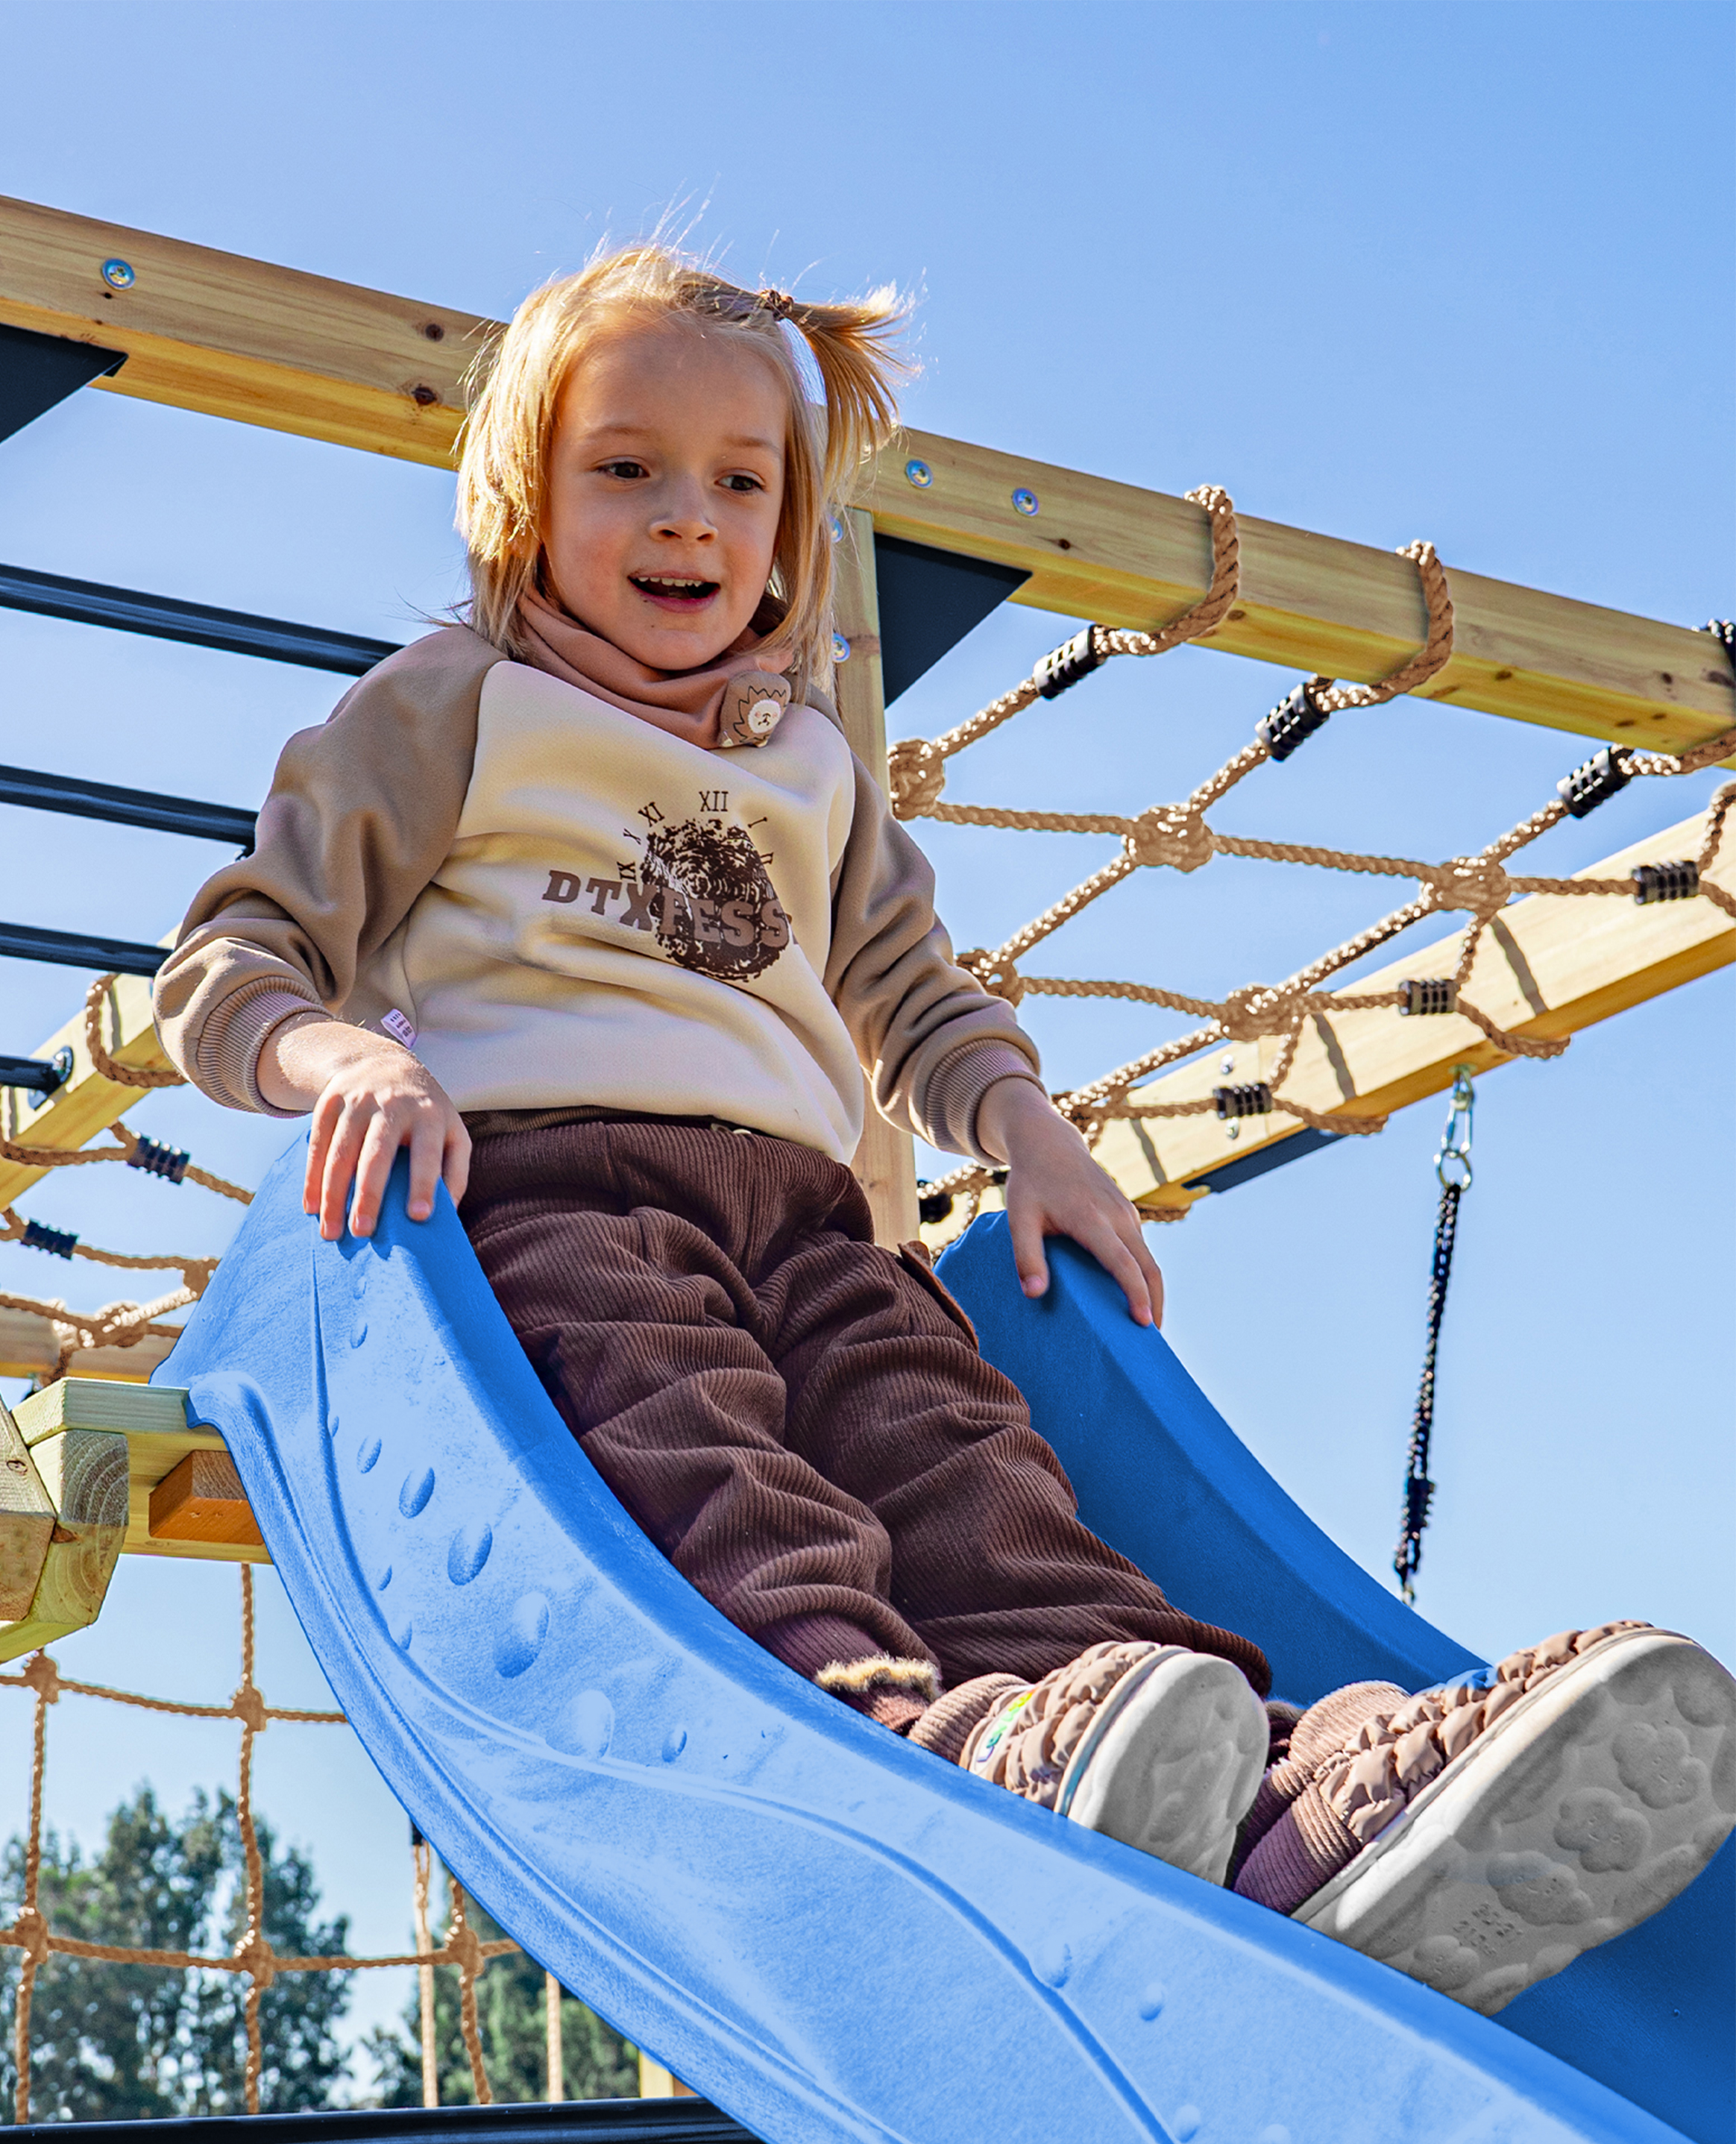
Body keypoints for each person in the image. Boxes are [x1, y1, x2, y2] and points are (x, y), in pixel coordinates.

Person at [151, 245, 1732, 2016]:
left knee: (979, 1487)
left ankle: (1282, 1801)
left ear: (791, 523)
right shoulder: (450, 709)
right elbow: (238, 951)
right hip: (555, 1203)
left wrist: (1025, 1125)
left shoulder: (811, 760)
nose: (688, 520)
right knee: (721, 1484)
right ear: (523, 499)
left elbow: (909, 984)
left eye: (740, 483)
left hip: (823, 1229)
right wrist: (330, 1060)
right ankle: (920, 1755)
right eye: (627, 469)